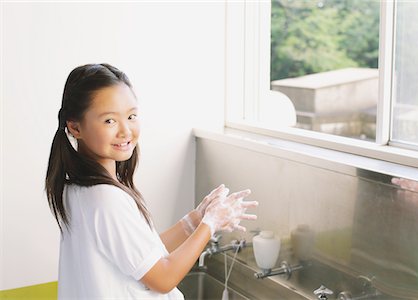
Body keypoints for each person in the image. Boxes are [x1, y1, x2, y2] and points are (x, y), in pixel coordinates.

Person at [45, 63, 258, 299]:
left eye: (131, 116)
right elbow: (163, 278)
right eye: (109, 121)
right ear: (75, 127)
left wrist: (194, 221)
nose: (126, 131)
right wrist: (210, 224)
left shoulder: (76, 188)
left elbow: (140, 254)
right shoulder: (105, 198)